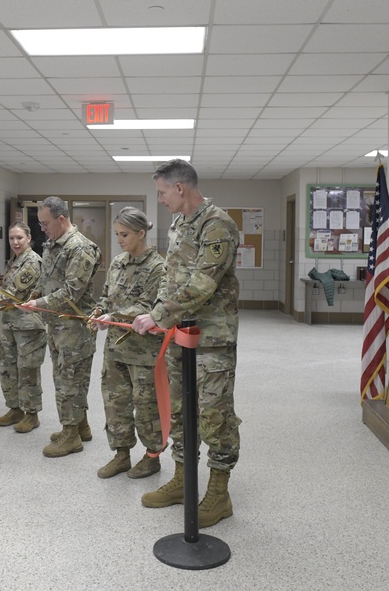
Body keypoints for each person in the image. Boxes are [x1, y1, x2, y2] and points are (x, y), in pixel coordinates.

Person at [132, 158, 242, 528]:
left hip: (211, 339)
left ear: (180, 188)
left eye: (162, 193)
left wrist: (161, 315)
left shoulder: (218, 225)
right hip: (180, 335)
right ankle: (182, 480)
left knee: (214, 416)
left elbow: (203, 283)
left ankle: (219, 492)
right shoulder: (179, 223)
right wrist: (158, 313)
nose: (160, 200)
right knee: (180, 410)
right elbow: (170, 275)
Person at [18, 196, 101, 458]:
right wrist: (33, 294)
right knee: (64, 378)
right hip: (56, 325)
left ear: (61, 219)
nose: (41, 229)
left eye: (45, 223)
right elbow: (47, 279)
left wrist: (40, 302)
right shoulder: (53, 244)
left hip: (74, 328)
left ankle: (71, 435)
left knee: (69, 381)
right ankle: (81, 426)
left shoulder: (80, 248)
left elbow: (71, 292)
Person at [91, 207, 165, 480]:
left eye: (124, 234)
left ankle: (152, 457)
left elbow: (149, 305)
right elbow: (106, 297)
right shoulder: (118, 262)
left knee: (145, 405)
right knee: (115, 403)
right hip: (115, 347)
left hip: (143, 351)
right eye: (117, 234)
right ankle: (121, 455)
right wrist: (99, 313)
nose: (119, 240)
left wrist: (115, 315)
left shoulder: (157, 267)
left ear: (141, 233)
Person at [0, 221, 46, 433]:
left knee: (27, 371)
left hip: (28, 326)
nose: (15, 242)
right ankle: (15, 408)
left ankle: (31, 414)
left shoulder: (31, 262)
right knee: (9, 369)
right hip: (11, 323)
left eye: (19, 237)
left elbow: (11, 293)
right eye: (12, 238)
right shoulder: (14, 261)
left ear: (29, 238)